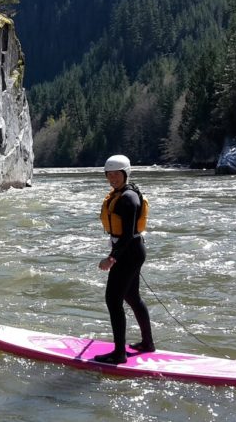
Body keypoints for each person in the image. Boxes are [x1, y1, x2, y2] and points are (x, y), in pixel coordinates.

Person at [92, 154, 155, 364]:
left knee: (113, 300)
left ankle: (119, 354)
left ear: (125, 174)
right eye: (108, 174)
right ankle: (147, 343)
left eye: (116, 174)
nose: (112, 178)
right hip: (132, 251)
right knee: (132, 297)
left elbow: (127, 236)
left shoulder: (128, 198)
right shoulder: (120, 194)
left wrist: (111, 258)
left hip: (129, 252)